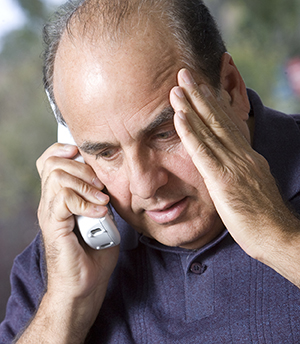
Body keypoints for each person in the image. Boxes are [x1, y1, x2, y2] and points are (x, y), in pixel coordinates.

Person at [1, 0, 300, 342]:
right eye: (105, 152)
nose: (145, 186)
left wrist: (279, 239)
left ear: (230, 88)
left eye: (164, 134)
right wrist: (67, 305)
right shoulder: (65, 252)